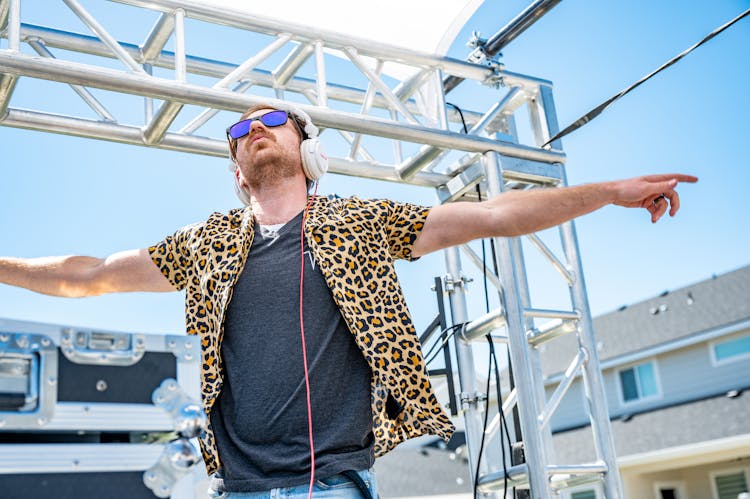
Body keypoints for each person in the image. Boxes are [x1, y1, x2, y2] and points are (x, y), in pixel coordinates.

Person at [0, 103, 697, 499]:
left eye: (271, 118)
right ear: (237, 170)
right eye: (239, 134)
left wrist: (607, 192)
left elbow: (494, 215)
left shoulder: (359, 222)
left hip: (332, 481)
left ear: (307, 147)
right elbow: (86, 273)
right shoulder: (206, 243)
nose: (254, 131)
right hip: (236, 487)